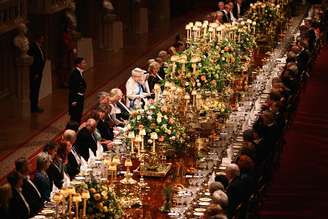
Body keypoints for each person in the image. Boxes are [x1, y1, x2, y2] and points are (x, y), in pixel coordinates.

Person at [27, 33, 46, 113]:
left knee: (37, 90)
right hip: (35, 73)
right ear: (38, 38)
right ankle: (33, 107)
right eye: (42, 38)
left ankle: (35, 106)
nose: (43, 40)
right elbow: (34, 62)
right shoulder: (33, 47)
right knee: (34, 90)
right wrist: (36, 73)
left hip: (39, 72)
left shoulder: (39, 46)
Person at [68, 57, 87, 124]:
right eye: (83, 63)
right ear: (78, 65)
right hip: (76, 99)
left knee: (78, 115)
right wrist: (74, 100)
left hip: (79, 98)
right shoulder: (74, 74)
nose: (85, 64)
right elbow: (72, 88)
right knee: (75, 117)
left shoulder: (79, 72)